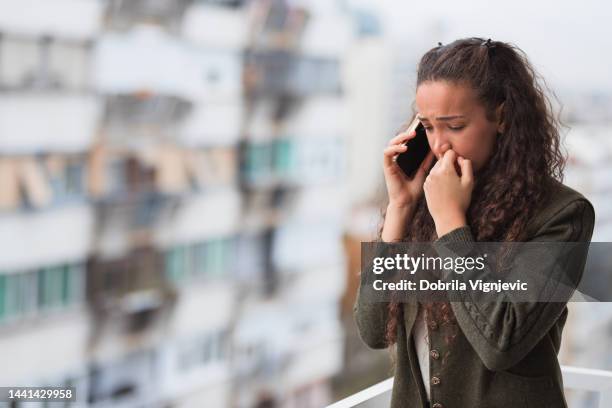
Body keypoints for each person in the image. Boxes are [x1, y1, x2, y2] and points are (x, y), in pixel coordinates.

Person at [353, 37, 596, 408]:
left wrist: (451, 225)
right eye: (429, 127)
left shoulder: (563, 214)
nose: (437, 146)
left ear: (500, 117)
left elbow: (501, 342)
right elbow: (372, 331)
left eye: (454, 126)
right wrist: (400, 207)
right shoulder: (422, 201)